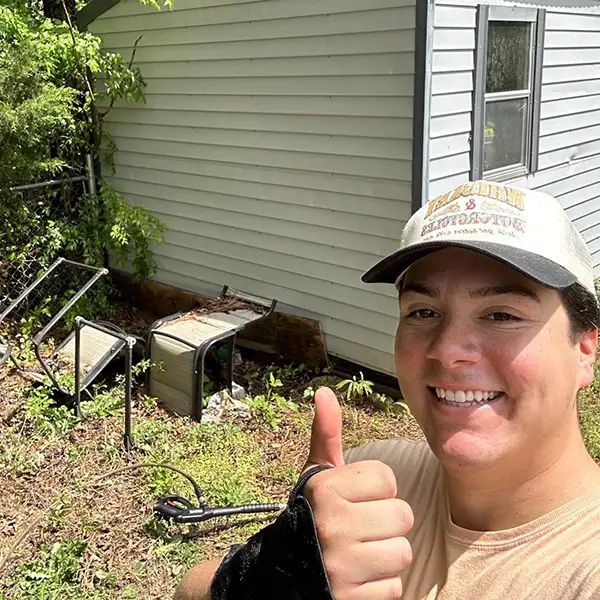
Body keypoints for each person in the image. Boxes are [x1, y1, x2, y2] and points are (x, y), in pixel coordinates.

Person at [175, 180, 600, 600]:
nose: (447, 351)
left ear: (584, 350)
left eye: (502, 315)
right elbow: (188, 588)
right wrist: (262, 580)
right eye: (424, 311)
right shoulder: (375, 477)